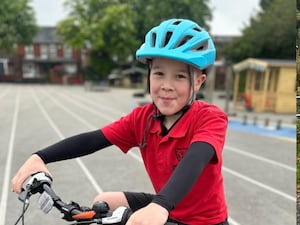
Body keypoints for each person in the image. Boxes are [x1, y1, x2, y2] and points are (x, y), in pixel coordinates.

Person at [12, 18, 229, 225]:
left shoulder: (210, 117)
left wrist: (160, 206)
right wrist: (40, 157)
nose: (166, 85)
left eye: (180, 77)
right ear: (149, 74)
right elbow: (94, 140)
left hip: (203, 219)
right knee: (103, 203)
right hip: (166, 205)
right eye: (159, 73)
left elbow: (196, 158)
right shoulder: (142, 118)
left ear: (198, 82)